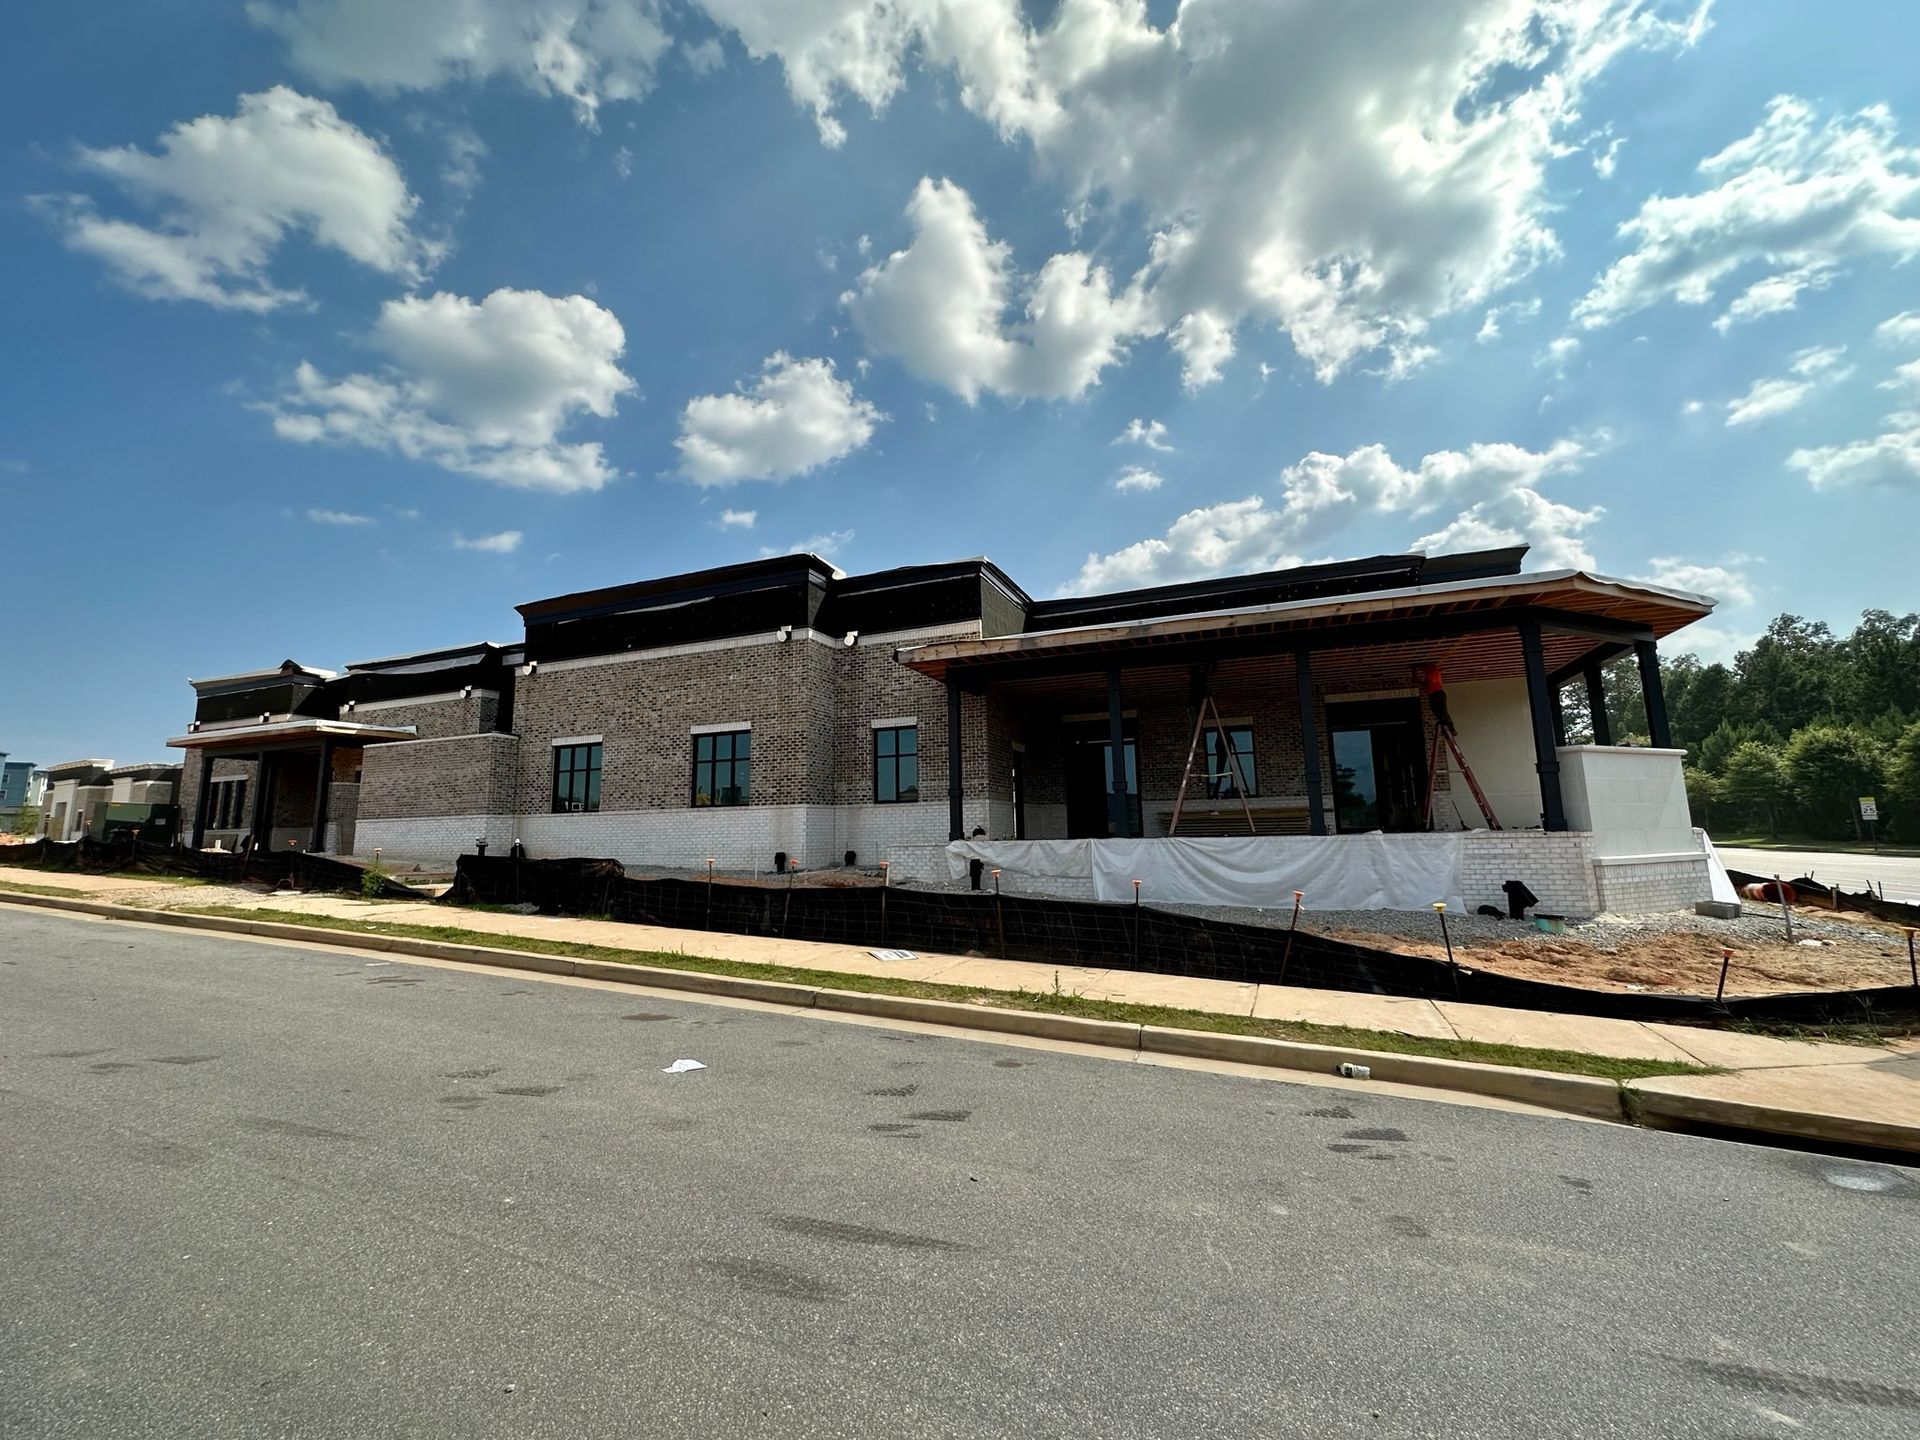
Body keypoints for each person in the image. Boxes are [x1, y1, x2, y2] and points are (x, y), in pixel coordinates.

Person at [1415, 662, 1456, 735]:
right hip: (1436, 694)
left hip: (1437, 694)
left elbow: (1424, 684)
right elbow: (1425, 684)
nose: (1421, 669)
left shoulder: (1431, 673)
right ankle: (1447, 726)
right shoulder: (1433, 672)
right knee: (1440, 712)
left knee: (1441, 712)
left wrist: (1415, 671)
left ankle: (1449, 727)